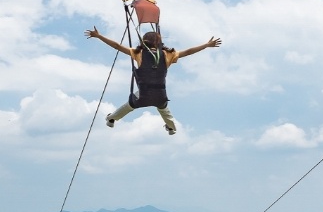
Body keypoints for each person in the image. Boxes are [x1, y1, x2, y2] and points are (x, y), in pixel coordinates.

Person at [84, 27, 221, 135]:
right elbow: (189, 51)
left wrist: (99, 36)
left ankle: (111, 119)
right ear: (159, 42)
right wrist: (206, 45)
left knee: (129, 106)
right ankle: (172, 129)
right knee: (165, 111)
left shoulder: (139, 53)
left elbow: (117, 46)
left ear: (144, 42)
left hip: (143, 94)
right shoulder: (169, 54)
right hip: (160, 94)